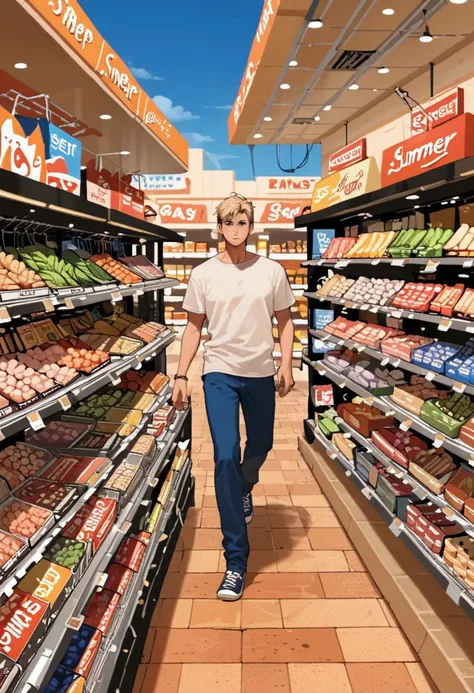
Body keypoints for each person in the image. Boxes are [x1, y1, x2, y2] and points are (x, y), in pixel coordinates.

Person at [172, 192, 295, 601]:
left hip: (260, 374)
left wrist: (286, 364)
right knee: (225, 455)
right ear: (219, 228)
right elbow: (193, 328)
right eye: (229, 223)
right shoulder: (204, 274)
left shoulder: (272, 271)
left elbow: (285, 321)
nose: (236, 229)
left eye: (242, 222)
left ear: (251, 226)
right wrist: (181, 374)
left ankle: (245, 486)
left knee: (260, 444)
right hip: (219, 374)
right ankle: (236, 560)